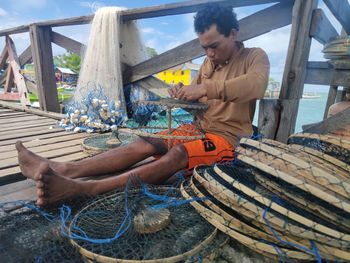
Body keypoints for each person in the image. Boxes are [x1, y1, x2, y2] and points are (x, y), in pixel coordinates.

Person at [16, 3, 270, 206]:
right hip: (199, 129)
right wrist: (183, 92)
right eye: (205, 48)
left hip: (229, 139)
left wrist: (204, 88)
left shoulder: (254, 57)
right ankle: (65, 169)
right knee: (144, 142)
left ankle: (84, 189)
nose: (210, 54)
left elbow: (256, 86)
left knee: (178, 155)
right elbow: (200, 97)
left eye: (215, 46)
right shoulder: (207, 64)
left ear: (234, 34)